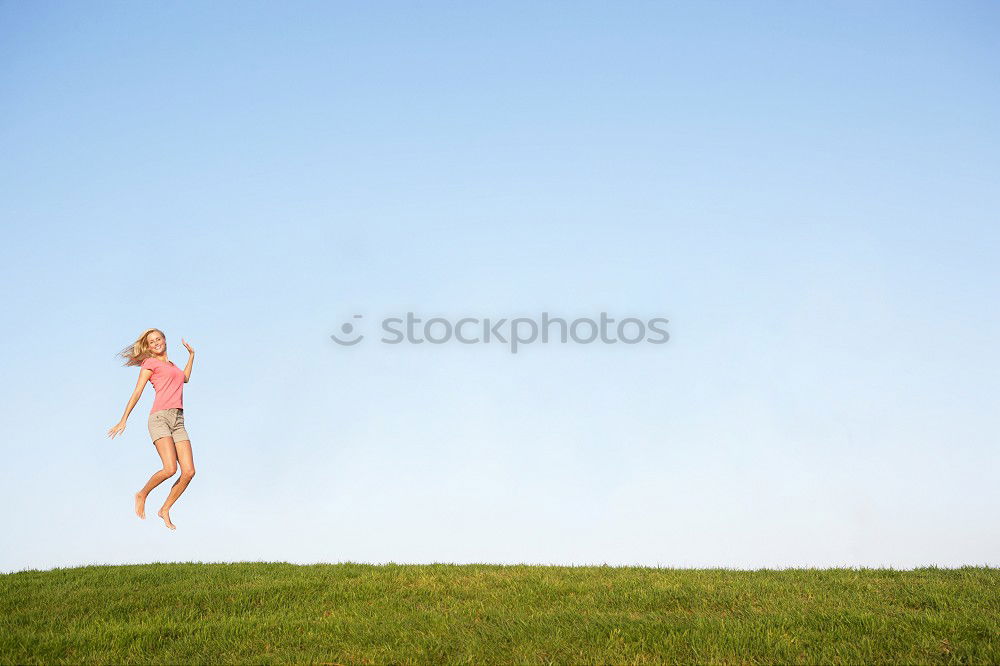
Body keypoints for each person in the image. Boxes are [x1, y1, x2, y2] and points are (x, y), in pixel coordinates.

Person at [107, 328, 196, 530]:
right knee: (170, 469)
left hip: (178, 420)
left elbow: (185, 378)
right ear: (148, 347)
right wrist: (123, 419)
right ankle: (142, 493)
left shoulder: (172, 366)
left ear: (164, 340)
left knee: (189, 472)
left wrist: (191, 356)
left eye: (158, 339)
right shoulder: (150, 364)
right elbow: (137, 391)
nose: (156, 343)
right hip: (160, 419)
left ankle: (165, 509)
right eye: (151, 341)